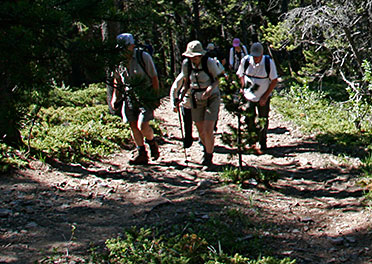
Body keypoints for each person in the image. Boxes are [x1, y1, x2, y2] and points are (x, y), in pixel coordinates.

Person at [170, 40, 225, 168]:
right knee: (200, 129)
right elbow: (186, 83)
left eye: (195, 56)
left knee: (208, 129)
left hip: (212, 97)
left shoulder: (209, 63)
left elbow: (219, 78)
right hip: (196, 98)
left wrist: (209, 90)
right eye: (191, 56)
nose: (193, 59)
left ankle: (208, 157)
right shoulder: (186, 65)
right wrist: (180, 97)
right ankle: (206, 150)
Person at [110, 33, 160, 166]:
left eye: (125, 47)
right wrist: (115, 97)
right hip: (129, 96)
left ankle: (152, 142)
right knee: (132, 124)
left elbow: (154, 78)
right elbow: (118, 80)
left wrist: (155, 96)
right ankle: (141, 153)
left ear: (132, 46)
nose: (123, 50)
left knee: (142, 125)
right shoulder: (118, 61)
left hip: (145, 94)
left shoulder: (143, 57)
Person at [236, 42, 279, 154]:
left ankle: (262, 142)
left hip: (263, 95)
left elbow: (274, 80)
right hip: (249, 95)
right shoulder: (246, 61)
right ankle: (251, 141)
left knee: (263, 119)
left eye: (257, 56)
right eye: (254, 56)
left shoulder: (268, 62)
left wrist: (265, 97)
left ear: (262, 54)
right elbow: (240, 74)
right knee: (249, 118)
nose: (255, 59)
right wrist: (243, 87)